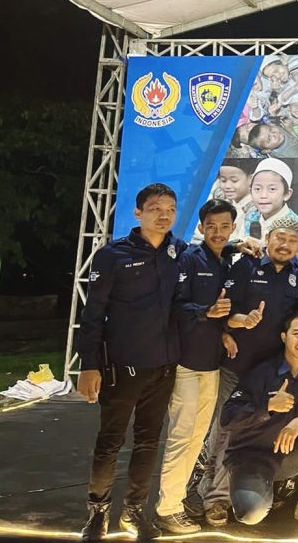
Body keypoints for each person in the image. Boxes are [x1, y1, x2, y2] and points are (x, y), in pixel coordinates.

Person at [200, 216, 298, 527]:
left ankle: (250, 484)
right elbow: (225, 311)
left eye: (292, 241)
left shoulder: (297, 278)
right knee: (225, 429)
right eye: (280, 238)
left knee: (259, 425)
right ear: (268, 237)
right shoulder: (246, 266)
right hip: (237, 364)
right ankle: (215, 498)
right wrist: (239, 323)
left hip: (270, 372)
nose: (285, 245)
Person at [77, 184, 187, 541]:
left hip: (164, 367)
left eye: (170, 208)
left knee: (148, 442)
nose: (164, 215)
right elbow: (93, 313)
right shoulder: (112, 255)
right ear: (138, 212)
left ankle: (134, 510)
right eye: (155, 208)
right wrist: (88, 365)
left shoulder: (180, 251)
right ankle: (97, 511)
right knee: (109, 441)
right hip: (122, 368)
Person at [220, 310, 298, 528]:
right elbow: (227, 417)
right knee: (251, 514)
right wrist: (268, 406)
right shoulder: (262, 371)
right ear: (284, 337)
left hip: (287, 456)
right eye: (297, 334)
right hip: (251, 457)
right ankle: (258, 487)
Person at [155, 199, 236, 535]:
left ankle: (177, 499)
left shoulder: (228, 262)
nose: (217, 232)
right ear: (201, 227)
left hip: (212, 366)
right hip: (185, 363)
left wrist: (225, 330)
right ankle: (167, 509)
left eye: (224, 226)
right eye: (211, 226)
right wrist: (206, 312)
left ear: (232, 228)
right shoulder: (188, 258)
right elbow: (174, 306)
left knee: (198, 437)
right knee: (181, 435)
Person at [242, 157, 298, 242]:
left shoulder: (295, 225)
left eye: (272, 189)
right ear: (250, 191)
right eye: (257, 189)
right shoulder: (250, 216)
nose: (263, 195)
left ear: (287, 194)